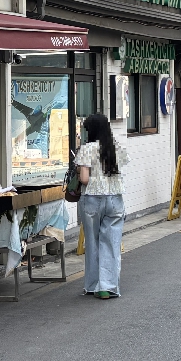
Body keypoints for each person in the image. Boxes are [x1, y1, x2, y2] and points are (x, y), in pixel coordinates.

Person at [75, 114, 130, 299]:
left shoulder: (87, 149)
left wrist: (80, 170)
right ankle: (107, 287)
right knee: (112, 243)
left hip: (92, 199)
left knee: (92, 242)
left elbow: (84, 179)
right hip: (115, 200)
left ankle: (92, 285)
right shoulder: (116, 147)